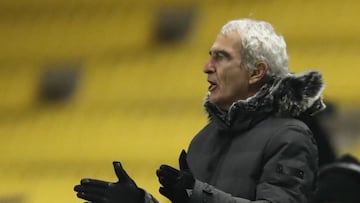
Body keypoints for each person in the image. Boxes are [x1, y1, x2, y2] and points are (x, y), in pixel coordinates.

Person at [74, 18, 325, 203]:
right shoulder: (203, 140)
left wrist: (195, 193)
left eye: (221, 58)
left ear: (256, 72)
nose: (207, 67)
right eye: (209, 57)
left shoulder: (290, 136)